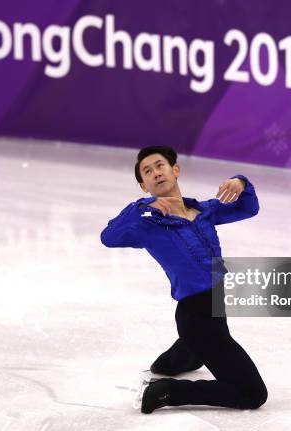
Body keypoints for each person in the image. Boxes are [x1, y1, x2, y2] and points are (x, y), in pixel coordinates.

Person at [100, 146, 268, 414]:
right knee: (253, 393)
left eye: (159, 165)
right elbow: (108, 237)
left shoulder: (204, 211)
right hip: (197, 319)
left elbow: (249, 207)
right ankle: (167, 391)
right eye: (147, 171)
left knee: (190, 354)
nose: (155, 173)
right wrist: (142, 207)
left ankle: (170, 362)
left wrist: (241, 181)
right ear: (144, 186)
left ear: (175, 170)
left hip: (216, 307)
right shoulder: (147, 225)